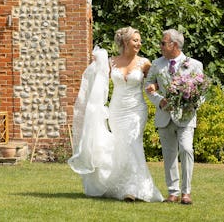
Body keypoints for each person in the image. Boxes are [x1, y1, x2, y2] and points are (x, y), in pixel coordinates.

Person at [69, 27, 163, 202]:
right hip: (116, 111)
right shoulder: (111, 62)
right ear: (125, 42)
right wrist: (97, 62)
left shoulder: (145, 63)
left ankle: (135, 189)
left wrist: (155, 88)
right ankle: (122, 185)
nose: (139, 43)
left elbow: (156, 83)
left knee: (133, 144)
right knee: (121, 146)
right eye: (135, 40)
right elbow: (97, 78)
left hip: (136, 110)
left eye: (139, 40)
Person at [145, 28, 204, 205]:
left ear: (175, 45)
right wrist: (159, 101)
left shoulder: (194, 64)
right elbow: (148, 85)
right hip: (164, 116)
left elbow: (202, 92)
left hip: (186, 116)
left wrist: (193, 104)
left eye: (163, 43)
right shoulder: (157, 64)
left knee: (186, 149)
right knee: (169, 154)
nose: (160, 46)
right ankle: (173, 192)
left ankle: (186, 192)